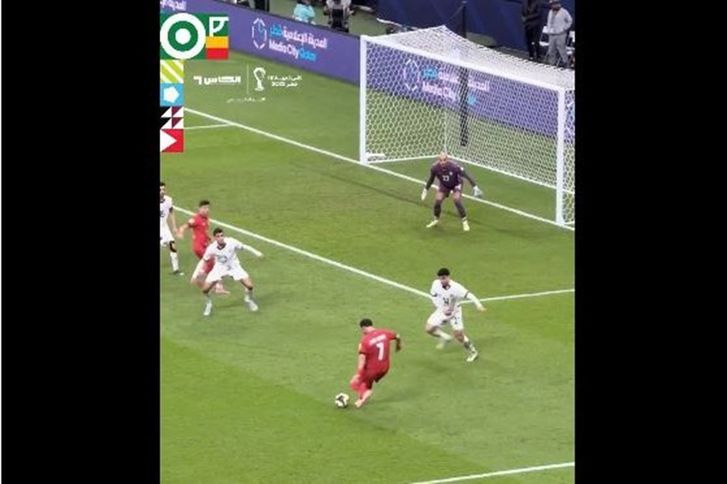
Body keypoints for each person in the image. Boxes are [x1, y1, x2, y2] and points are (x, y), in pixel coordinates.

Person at [425, 268, 485, 363]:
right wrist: (442, 309)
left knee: (459, 335)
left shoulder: (456, 287)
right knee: (429, 329)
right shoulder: (435, 284)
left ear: (448, 277)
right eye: (440, 278)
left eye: (444, 278)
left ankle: (473, 352)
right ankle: (445, 337)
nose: (442, 280)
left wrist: (479, 305)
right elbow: (434, 297)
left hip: (455, 312)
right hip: (442, 310)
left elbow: (470, 295)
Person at [200, 228, 264, 316]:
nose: (221, 238)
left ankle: (248, 299)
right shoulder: (211, 248)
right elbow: (205, 259)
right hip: (220, 268)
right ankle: (208, 304)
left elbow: (244, 247)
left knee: (250, 286)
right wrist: (201, 270)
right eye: (218, 236)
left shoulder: (231, 241)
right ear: (215, 238)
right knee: (205, 289)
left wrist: (257, 252)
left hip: (234, 267)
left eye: (222, 235)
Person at [421, 152, 483, 232]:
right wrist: (425, 190)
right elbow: (431, 179)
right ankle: (436, 220)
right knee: (438, 200)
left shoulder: (454, 167)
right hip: (444, 185)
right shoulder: (434, 168)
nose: (442, 162)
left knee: (456, 199)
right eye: (441, 160)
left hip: (456, 184)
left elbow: (466, 176)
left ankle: (464, 222)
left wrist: (475, 187)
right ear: (438, 160)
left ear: (447, 159)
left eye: (444, 160)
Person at [177, 200, 229, 294]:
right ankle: (217, 287)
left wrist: (212, 240)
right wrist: (180, 232)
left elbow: (205, 232)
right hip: (199, 247)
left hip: (205, 246)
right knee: (217, 262)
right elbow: (184, 226)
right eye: (204, 208)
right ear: (199, 209)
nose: (207, 210)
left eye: (208, 208)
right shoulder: (196, 219)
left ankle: (197, 278)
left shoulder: (206, 219)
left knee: (210, 264)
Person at [349, 318, 401, 408]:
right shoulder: (384, 333)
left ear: (364, 328)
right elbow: (397, 336)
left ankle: (363, 397)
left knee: (356, 383)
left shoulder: (365, 341)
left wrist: (358, 373)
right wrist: (398, 345)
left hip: (372, 369)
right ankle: (363, 395)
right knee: (365, 381)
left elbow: (362, 358)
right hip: (385, 368)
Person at [160, 182, 182, 275]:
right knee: (163, 243)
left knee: (172, 244)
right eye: (160, 190)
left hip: (164, 227)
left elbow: (171, 212)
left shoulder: (168, 200)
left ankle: (176, 269)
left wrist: (174, 226)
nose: (162, 191)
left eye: (163, 189)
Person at [544, 0, 572, 67]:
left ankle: (565, 63)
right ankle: (552, 63)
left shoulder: (564, 12)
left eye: (555, 4)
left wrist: (564, 28)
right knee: (551, 50)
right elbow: (548, 21)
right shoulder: (550, 12)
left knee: (561, 49)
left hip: (560, 34)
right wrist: (548, 29)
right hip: (551, 34)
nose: (554, 5)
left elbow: (570, 21)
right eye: (552, 4)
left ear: (558, 4)